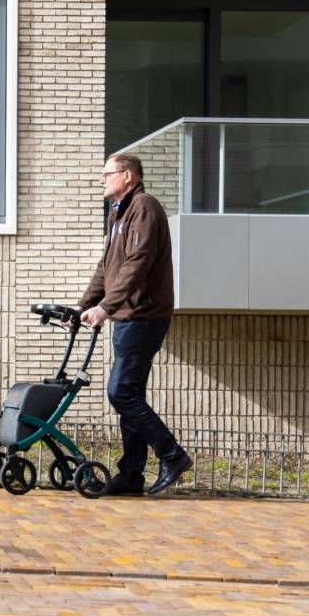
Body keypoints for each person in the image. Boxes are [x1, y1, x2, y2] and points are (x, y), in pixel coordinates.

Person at [78, 153, 191, 496]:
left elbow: (137, 264)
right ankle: (130, 475)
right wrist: (83, 306)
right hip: (129, 316)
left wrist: (106, 307)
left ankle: (172, 456)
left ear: (127, 176)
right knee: (131, 395)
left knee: (121, 392)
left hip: (143, 316)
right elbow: (107, 268)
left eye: (107, 174)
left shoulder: (144, 207)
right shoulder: (119, 213)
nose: (101, 180)